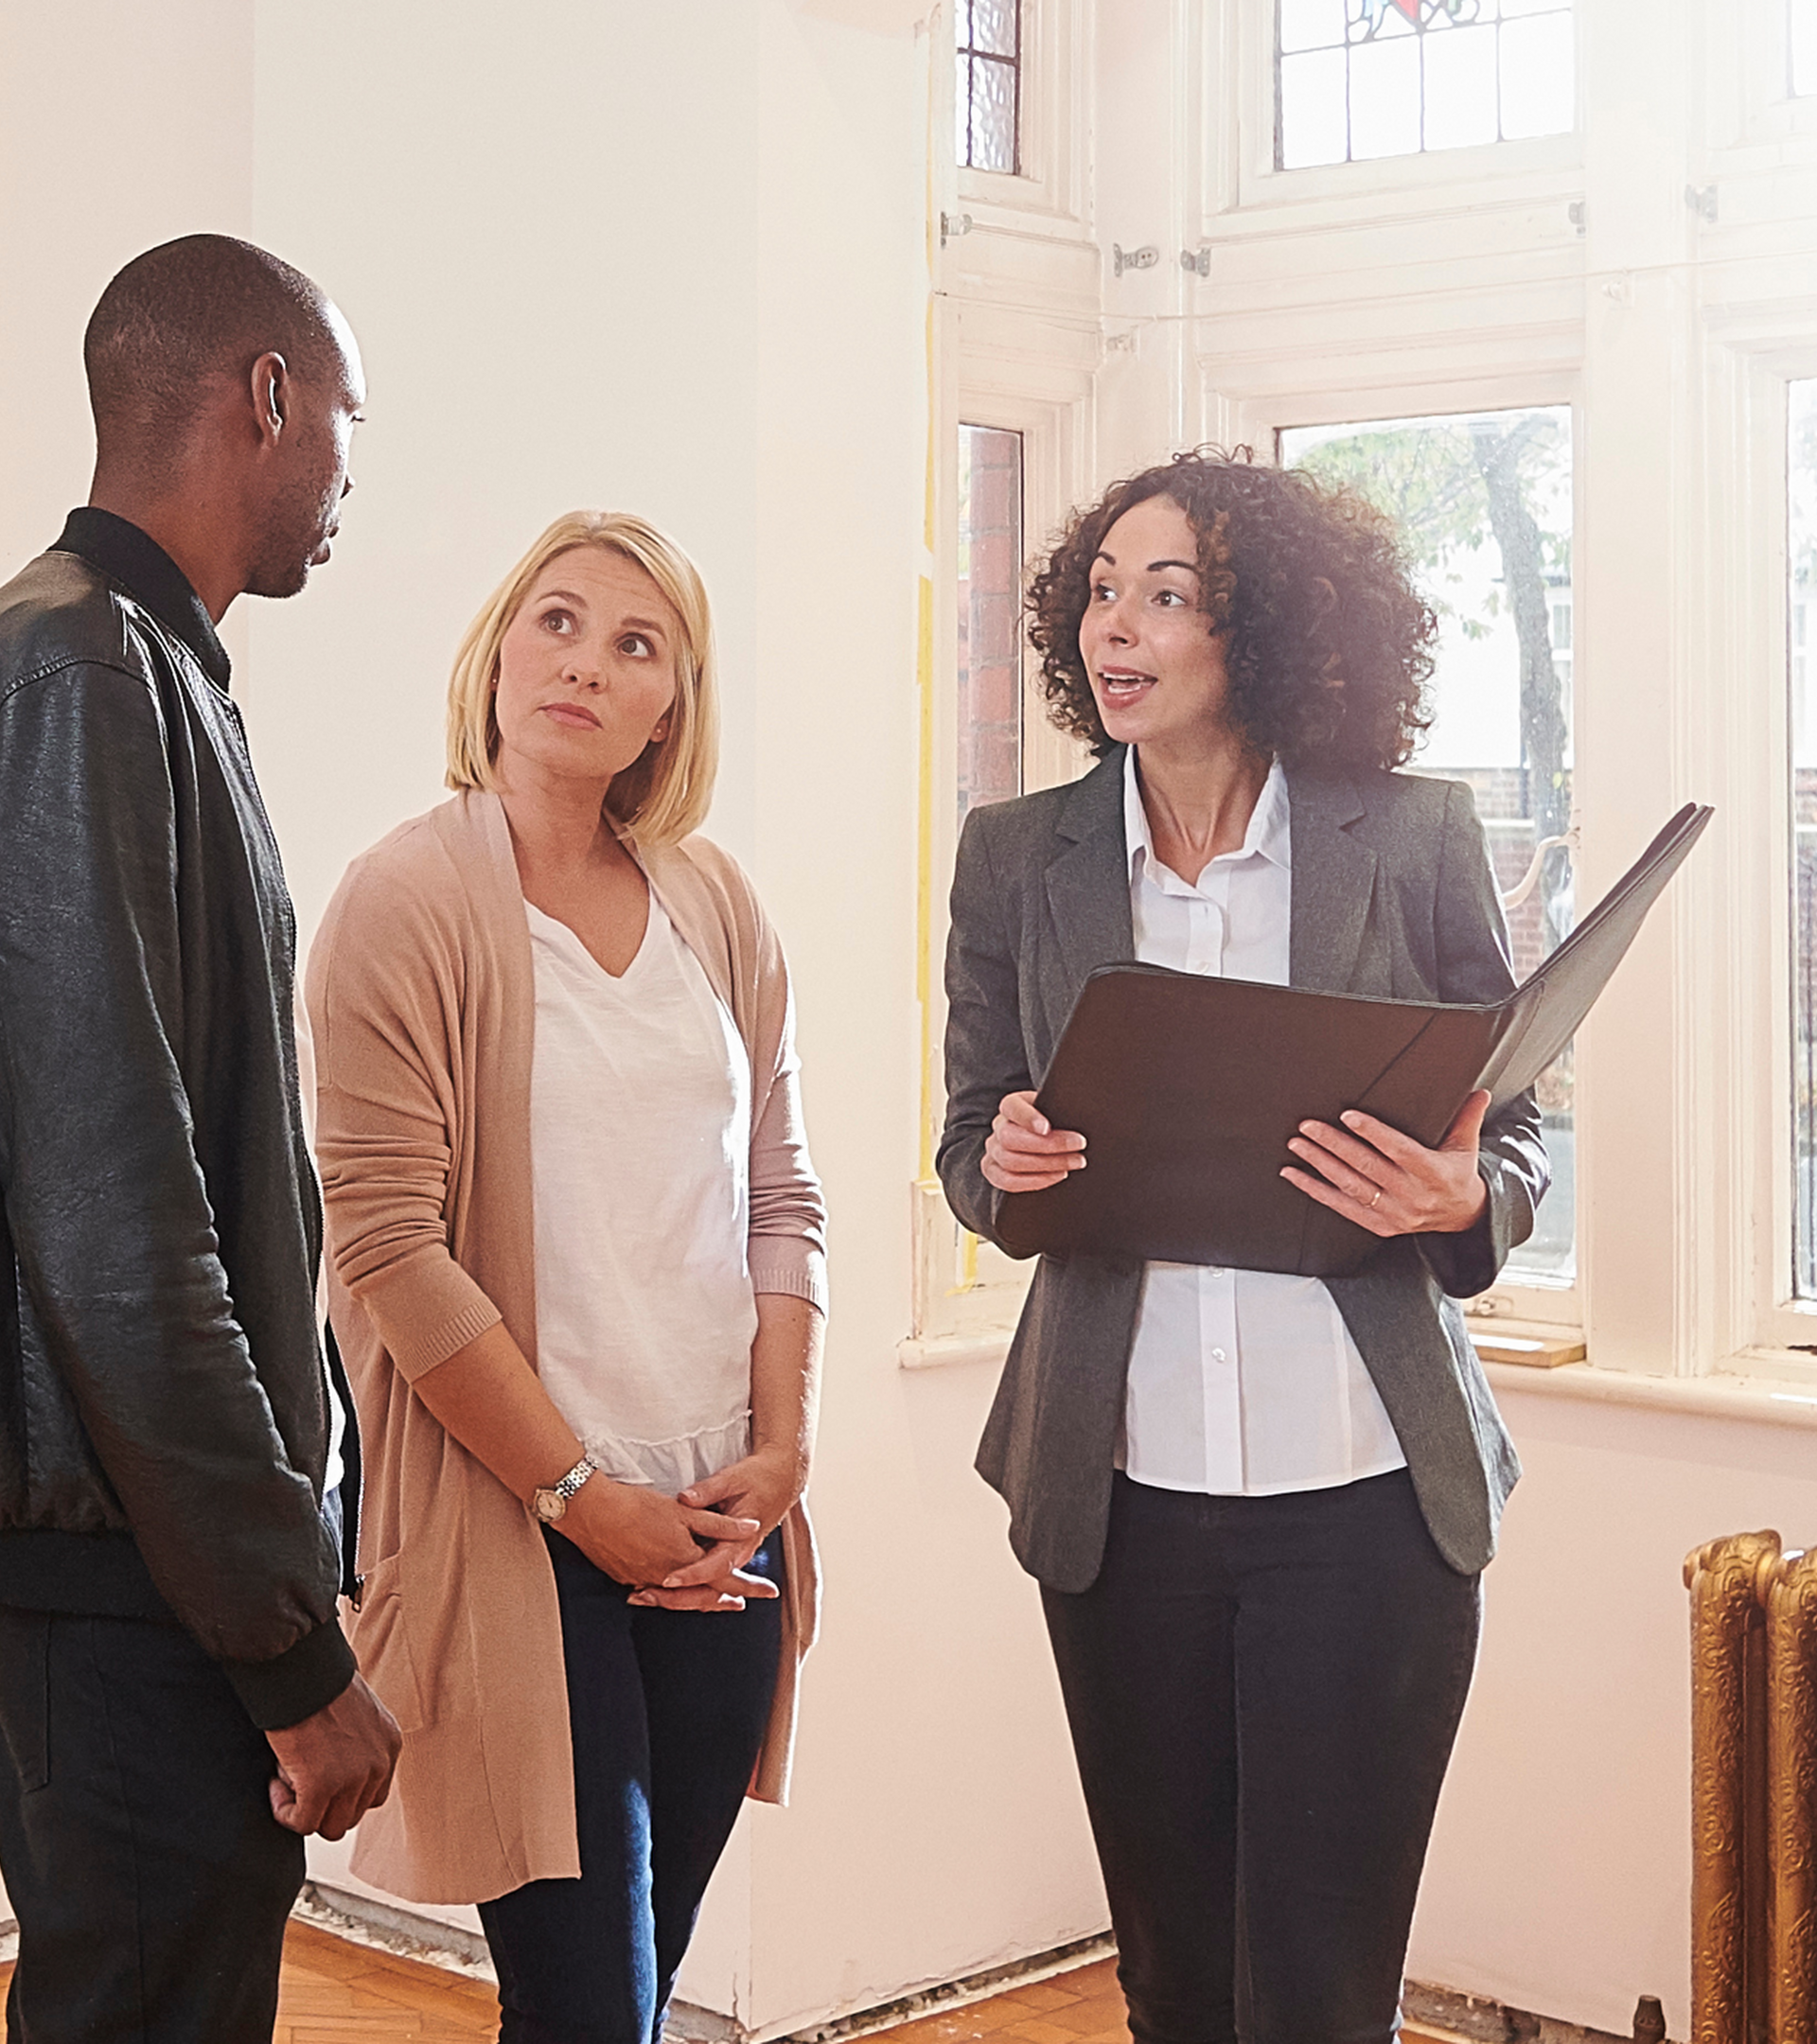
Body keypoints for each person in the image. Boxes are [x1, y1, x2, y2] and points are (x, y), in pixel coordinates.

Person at [938, 449, 1550, 2044]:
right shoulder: (1020, 859)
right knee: (1176, 1991)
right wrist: (1000, 1162)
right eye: (1099, 592)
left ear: (1262, 630)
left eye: (1169, 594)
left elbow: (1519, 1127)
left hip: (1364, 1512)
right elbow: (965, 1143)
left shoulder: (1409, 838)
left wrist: (1462, 1199)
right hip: (1120, 1508)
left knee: (1322, 1999)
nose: (1113, 629)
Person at [305, 509, 826, 2044]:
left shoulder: (717, 905)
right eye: (558, 621)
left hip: (725, 1514)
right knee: (588, 2005)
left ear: (675, 704)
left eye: (634, 644)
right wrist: (586, 1501)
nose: (586, 664)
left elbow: (783, 1197)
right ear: (497, 646)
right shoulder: (404, 900)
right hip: (525, 1525)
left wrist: (781, 1454)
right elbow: (388, 1246)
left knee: (633, 1998)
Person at [0, 235, 401, 2043]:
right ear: (266, 398)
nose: (347, 480)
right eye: (346, 425)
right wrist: (282, 1639)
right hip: (127, 1593)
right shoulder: (85, 672)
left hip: (139, 1568)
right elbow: (114, 1215)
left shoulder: (143, 666)